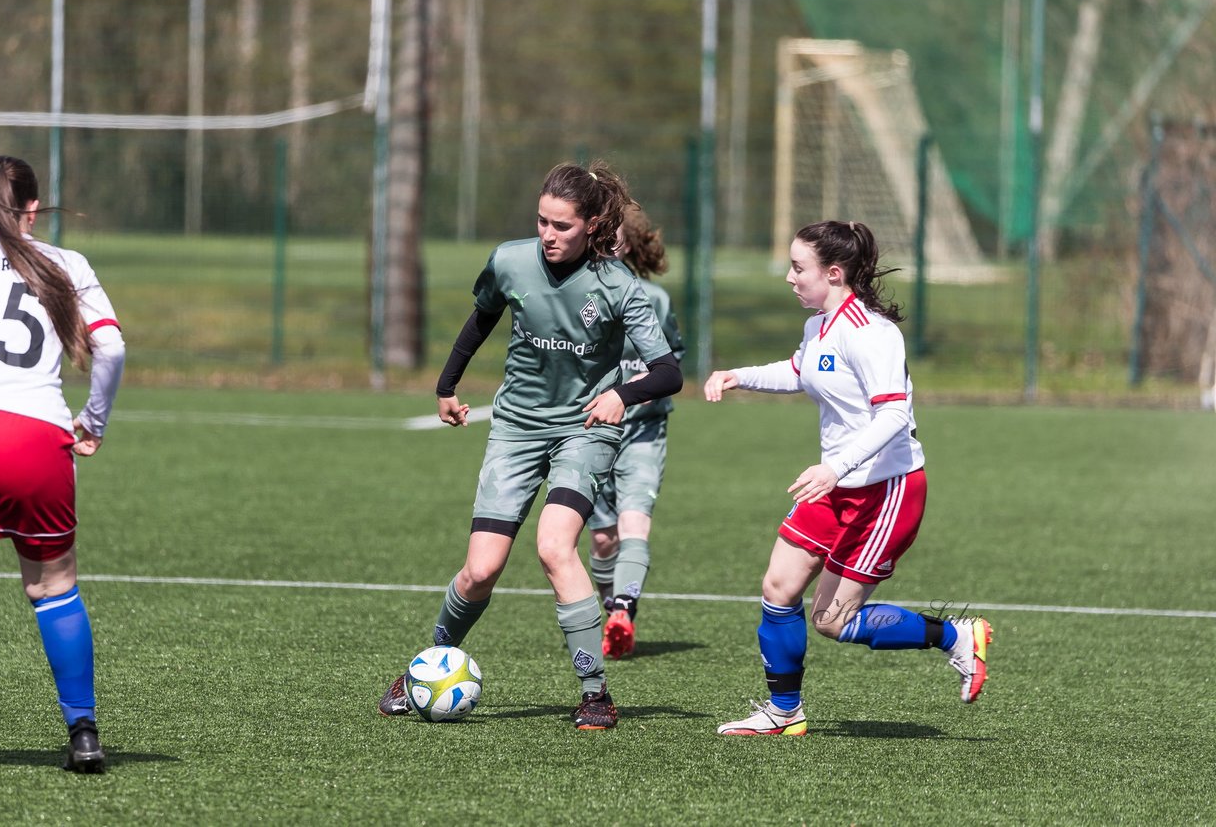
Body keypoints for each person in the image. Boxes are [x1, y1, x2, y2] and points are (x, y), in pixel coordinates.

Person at [378, 161, 682, 730]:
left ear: (592, 226)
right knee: (479, 570)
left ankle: (595, 692)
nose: (548, 234)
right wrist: (446, 386)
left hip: (585, 431)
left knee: (554, 547)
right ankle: (427, 662)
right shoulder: (510, 260)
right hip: (516, 428)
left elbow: (668, 372)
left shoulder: (620, 288)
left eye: (562, 226)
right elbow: (481, 319)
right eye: (541, 221)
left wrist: (622, 393)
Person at [703, 220, 990, 736]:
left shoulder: (873, 334)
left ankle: (954, 637)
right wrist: (739, 376)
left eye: (798, 268)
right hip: (834, 486)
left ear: (833, 273)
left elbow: (893, 416)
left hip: (886, 491)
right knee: (778, 587)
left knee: (833, 621)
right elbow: (800, 371)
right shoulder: (820, 325)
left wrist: (835, 466)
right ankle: (783, 711)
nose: (789, 278)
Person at [0, 156, 126, 770]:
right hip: (33, 432)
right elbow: (111, 346)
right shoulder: (66, 264)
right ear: (34, 210)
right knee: (52, 586)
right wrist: (93, 423)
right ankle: (84, 733)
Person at [586, 205, 685, 660]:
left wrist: (635, 394)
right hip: (589, 433)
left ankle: (623, 609)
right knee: (603, 538)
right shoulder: (579, 296)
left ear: (629, 242)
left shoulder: (655, 301)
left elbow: (672, 364)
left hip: (643, 433)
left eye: (615, 235)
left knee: (633, 526)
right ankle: (612, 609)